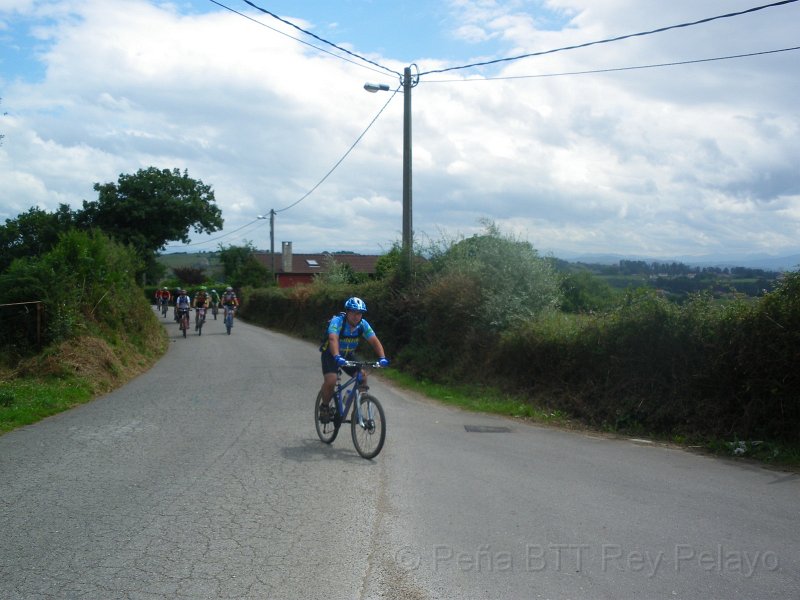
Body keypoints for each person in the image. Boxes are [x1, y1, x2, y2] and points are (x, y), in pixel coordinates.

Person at [319, 297, 390, 413]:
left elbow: (374, 341)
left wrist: (382, 358)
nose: (357, 316)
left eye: (360, 313)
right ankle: (325, 407)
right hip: (331, 354)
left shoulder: (363, 325)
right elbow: (333, 339)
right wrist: (337, 356)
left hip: (348, 354)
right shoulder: (337, 321)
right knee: (331, 380)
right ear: (347, 312)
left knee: (362, 376)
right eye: (354, 313)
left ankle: (359, 406)